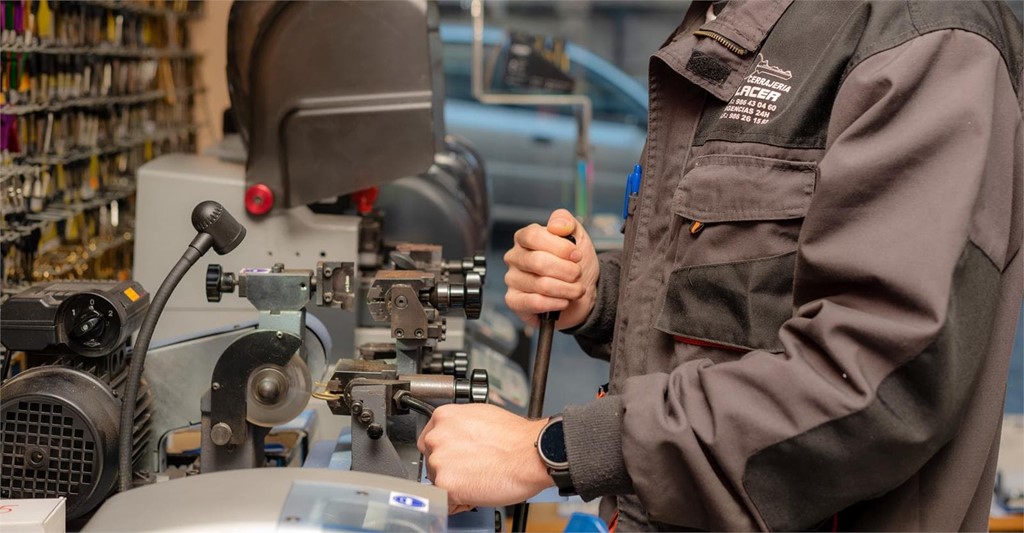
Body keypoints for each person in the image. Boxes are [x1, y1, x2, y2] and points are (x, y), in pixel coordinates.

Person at [417, 0, 1024, 530]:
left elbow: (876, 385)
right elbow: (746, 295)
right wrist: (600, 294)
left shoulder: (926, 39)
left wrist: (549, 450)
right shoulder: (740, 21)